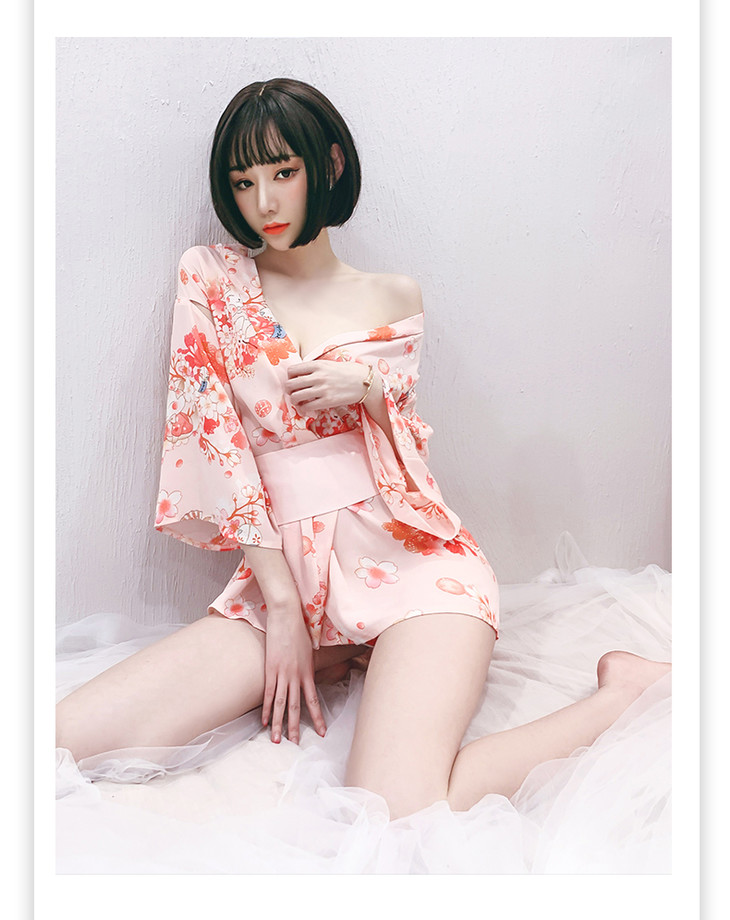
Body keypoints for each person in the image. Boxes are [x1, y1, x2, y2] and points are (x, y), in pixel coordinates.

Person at [56, 78, 670, 821]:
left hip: (414, 568)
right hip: (285, 578)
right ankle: (337, 645)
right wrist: (284, 604)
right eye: (243, 182)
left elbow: (410, 469)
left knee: (396, 806)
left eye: (284, 172)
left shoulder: (392, 296)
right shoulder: (211, 279)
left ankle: (621, 694)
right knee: (59, 739)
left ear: (331, 165)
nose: (265, 202)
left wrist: (371, 392)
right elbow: (210, 440)